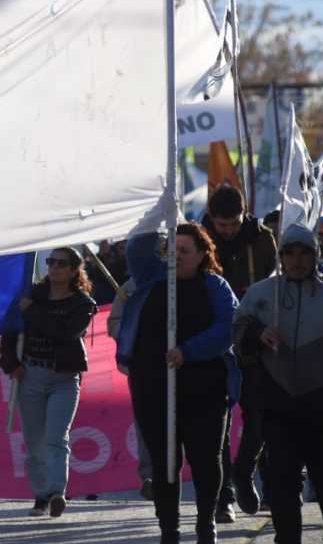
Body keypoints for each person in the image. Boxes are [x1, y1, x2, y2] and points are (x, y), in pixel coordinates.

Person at [233, 224, 323, 544]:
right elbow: (236, 335)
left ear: (315, 256)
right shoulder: (260, 295)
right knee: (282, 484)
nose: (297, 260)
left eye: (304, 253)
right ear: (281, 256)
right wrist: (256, 334)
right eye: (290, 253)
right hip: (278, 408)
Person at [118, 224, 239, 544]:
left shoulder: (215, 286)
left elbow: (228, 328)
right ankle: (169, 529)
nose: (176, 256)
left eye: (184, 251)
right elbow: (136, 249)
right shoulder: (151, 278)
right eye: (171, 250)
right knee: (164, 461)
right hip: (153, 386)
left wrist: (188, 351)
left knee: (206, 459)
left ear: (202, 255)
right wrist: (156, 215)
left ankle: (206, 523)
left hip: (205, 388)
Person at [0, 246, 96, 518]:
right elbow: (9, 330)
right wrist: (11, 363)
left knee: (56, 438)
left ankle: (56, 493)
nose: (54, 267)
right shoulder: (30, 295)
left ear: (74, 270)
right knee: (34, 443)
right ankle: (41, 495)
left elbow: (64, 334)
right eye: (51, 261)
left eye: (61, 263)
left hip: (64, 379)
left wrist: (32, 312)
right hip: (31, 375)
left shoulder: (82, 304)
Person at [201, 184, 277, 520]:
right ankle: (224, 497)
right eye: (222, 224)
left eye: (234, 223)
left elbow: (273, 283)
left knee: (260, 418)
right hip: (216, 343)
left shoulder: (262, 239)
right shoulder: (200, 239)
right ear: (212, 218)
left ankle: (246, 472)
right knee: (217, 425)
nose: (229, 230)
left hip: (254, 342)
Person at [106, 277, 155, 501]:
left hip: (182, 362)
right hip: (142, 365)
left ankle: (174, 472)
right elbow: (114, 324)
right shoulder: (131, 287)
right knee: (146, 421)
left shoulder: (183, 278)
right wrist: (135, 331)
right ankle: (150, 476)